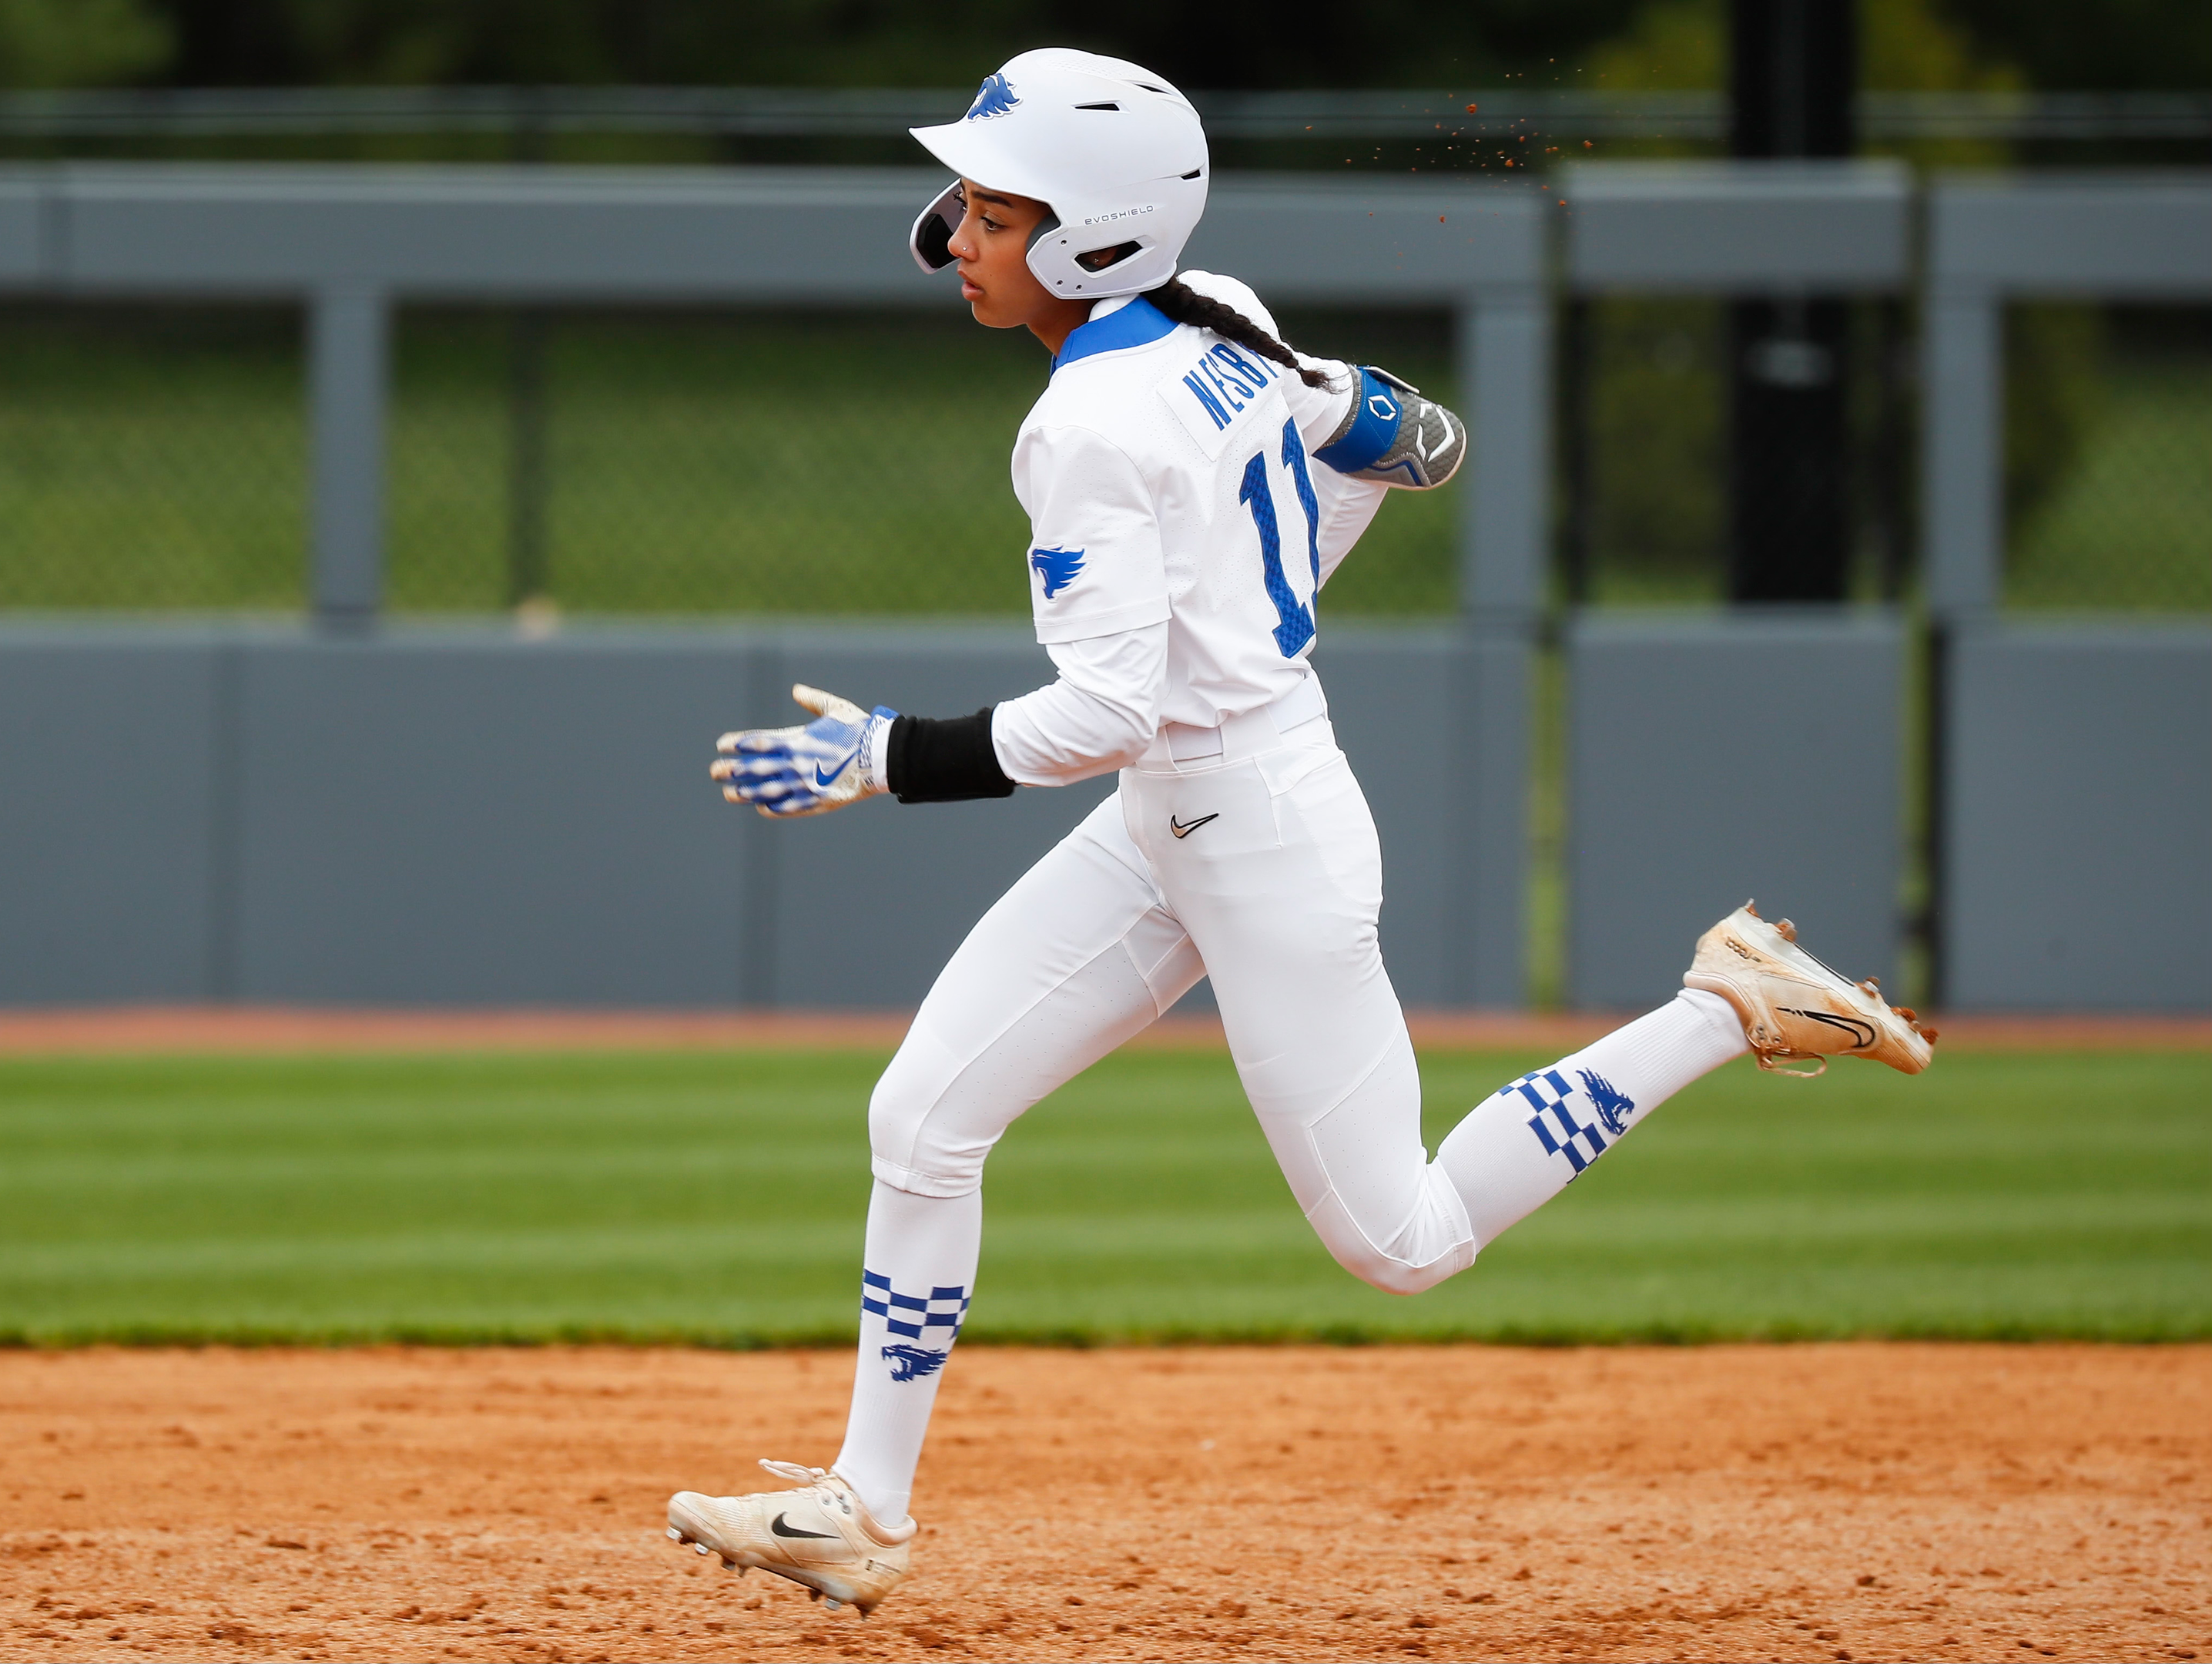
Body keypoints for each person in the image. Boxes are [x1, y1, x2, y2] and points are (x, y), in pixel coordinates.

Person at [667, 48, 1936, 1616]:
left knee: (1404, 1243)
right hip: (1188, 811)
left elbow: (1103, 715)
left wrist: (885, 757)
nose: (961, 233)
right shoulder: (1230, 317)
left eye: (999, 211)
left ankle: (1723, 1003)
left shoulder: (1085, 429)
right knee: (922, 1119)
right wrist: (1338, 494)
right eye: (974, 204)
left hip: (1254, 821)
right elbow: (1417, 437)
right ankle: (863, 1504)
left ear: (1093, 239)